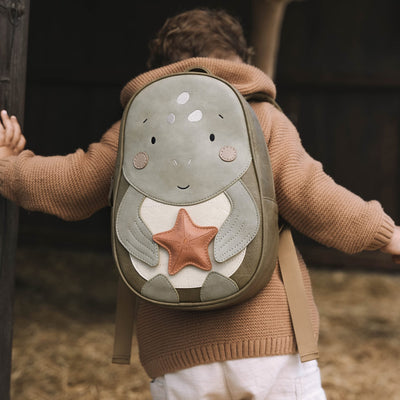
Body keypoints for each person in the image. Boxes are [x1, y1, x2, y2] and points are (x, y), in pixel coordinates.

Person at [1, 8, 399, 400]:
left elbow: (71, 185)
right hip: (270, 343)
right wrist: (387, 236)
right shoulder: (262, 117)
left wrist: (9, 166)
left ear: (158, 69)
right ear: (242, 61)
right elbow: (314, 197)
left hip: (178, 354)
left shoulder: (135, 128)